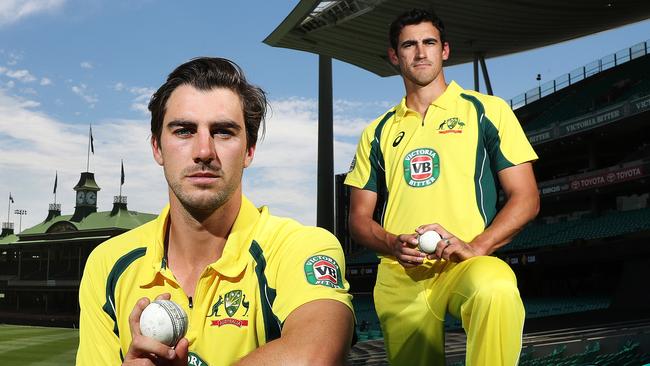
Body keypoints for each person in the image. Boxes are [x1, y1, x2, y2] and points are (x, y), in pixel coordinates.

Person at [76, 57, 354, 366]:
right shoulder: (108, 263)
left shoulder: (299, 247)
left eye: (223, 132)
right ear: (157, 148)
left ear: (249, 150)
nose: (204, 152)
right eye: (184, 131)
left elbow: (315, 356)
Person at [345, 9, 540, 366]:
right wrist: (392, 243)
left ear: (445, 50)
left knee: (495, 289)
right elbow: (358, 219)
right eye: (409, 45)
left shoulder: (487, 111)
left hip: (465, 263)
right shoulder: (376, 132)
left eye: (429, 42)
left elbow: (526, 198)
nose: (420, 52)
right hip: (399, 276)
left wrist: (476, 245)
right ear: (394, 56)